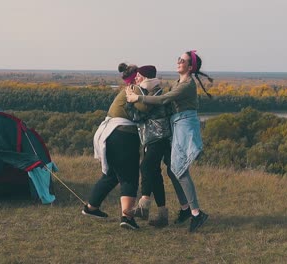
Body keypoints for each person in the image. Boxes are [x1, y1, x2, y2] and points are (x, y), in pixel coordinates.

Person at [126, 50, 213, 232]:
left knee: (180, 171)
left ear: (190, 67)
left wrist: (137, 98)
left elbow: (165, 99)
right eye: (179, 59)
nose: (179, 61)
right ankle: (185, 209)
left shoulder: (187, 84)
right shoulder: (178, 82)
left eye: (183, 60)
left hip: (185, 125)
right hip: (178, 124)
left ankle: (196, 213)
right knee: (174, 170)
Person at [81, 63, 144, 230]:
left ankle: (91, 208)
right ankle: (127, 217)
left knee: (112, 175)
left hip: (110, 135)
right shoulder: (135, 90)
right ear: (137, 78)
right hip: (123, 135)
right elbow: (145, 108)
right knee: (129, 177)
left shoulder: (126, 91)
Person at [126, 65, 190, 228]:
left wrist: (129, 101)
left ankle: (143, 206)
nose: (136, 79)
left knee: (146, 167)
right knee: (155, 175)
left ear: (146, 78)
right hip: (161, 138)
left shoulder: (152, 97)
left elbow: (136, 117)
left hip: (158, 138)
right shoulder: (157, 93)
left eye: (139, 76)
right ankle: (163, 215)